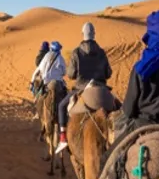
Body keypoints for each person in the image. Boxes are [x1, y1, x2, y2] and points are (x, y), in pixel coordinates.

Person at [54, 22, 113, 154]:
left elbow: (71, 74)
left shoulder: (76, 52)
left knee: (61, 106)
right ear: (94, 34)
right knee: (119, 107)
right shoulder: (101, 52)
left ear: (83, 34)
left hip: (81, 89)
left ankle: (63, 138)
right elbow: (108, 73)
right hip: (101, 89)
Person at [31, 40, 66, 118]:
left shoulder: (46, 56)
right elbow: (64, 72)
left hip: (46, 81)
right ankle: (66, 113)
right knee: (65, 93)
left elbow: (40, 68)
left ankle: (38, 112)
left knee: (40, 95)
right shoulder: (61, 58)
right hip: (58, 82)